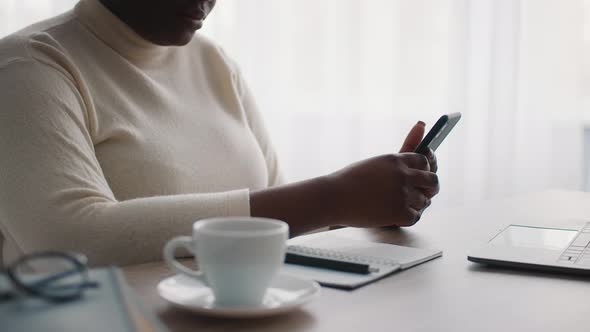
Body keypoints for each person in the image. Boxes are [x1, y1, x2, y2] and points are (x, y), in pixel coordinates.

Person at [0, 0, 439, 266]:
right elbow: (72, 242)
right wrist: (332, 198)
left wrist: (364, 204)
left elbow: (278, 213)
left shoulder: (213, 62)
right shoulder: (30, 66)